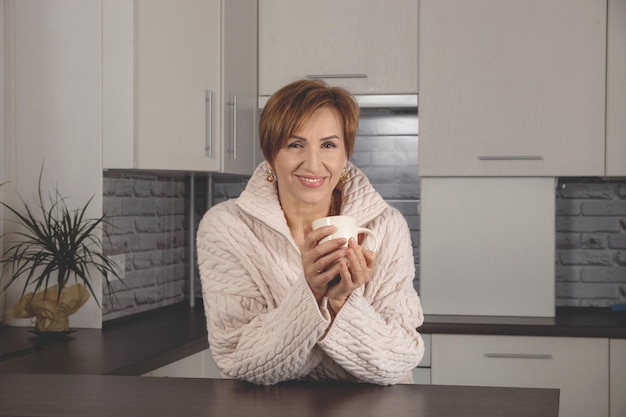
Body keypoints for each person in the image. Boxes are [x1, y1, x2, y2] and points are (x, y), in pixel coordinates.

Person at [196, 79, 424, 385]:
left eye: (328, 145)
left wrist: (342, 302)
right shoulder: (227, 227)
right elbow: (238, 358)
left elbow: (398, 359)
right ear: (270, 155)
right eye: (295, 144)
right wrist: (313, 294)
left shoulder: (385, 226)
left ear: (346, 157)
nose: (313, 163)